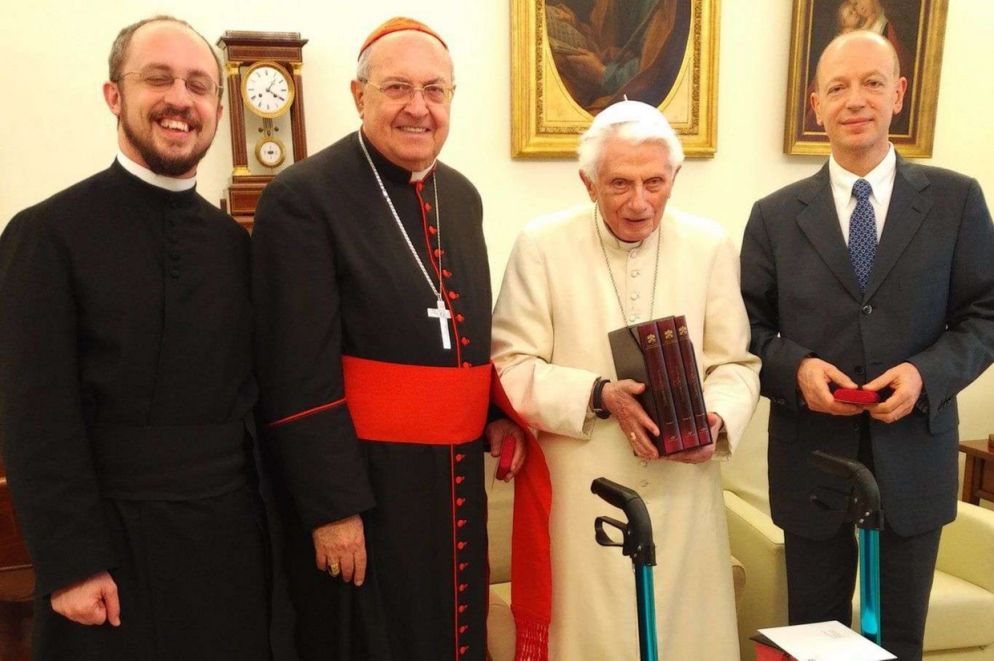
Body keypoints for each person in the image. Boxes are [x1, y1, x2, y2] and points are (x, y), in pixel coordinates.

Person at [251, 17, 526, 661]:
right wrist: (332, 507)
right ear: (358, 95)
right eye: (398, 88)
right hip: (367, 491)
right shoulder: (302, 198)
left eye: (435, 90)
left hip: (454, 481)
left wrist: (492, 416)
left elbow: (463, 338)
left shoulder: (460, 196)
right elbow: (293, 373)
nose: (418, 108)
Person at [0, 16, 270, 661]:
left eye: (199, 85)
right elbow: (32, 415)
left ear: (216, 108)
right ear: (114, 95)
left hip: (229, 553)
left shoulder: (238, 247)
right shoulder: (45, 236)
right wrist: (70, 564)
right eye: (159, 79)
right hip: (108, 557)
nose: (181, 98)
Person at [741, 30, 994, 660]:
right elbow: (746, 329)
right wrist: (794, 369)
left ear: (899, 94)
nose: (856, 100)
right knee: (813, 640)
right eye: (838, 87)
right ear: (815, 104)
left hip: (914, 460)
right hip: (811, 462)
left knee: (899, 642)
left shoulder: (956, 202)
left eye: (873, 83)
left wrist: (925, 375)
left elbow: (986, 315)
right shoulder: (774, 215)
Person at [491, 99, 760, 660]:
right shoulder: (542, 245)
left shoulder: (708, 244)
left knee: (686, 635)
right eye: (619, 183)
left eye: (654, 182)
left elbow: (735, 364)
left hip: (687, 493)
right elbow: (510, 366)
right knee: (595, 640)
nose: (639, 202)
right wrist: (598, 395)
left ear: (675, 177)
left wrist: (714, 420)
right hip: (585, 493)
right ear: (588, 183)